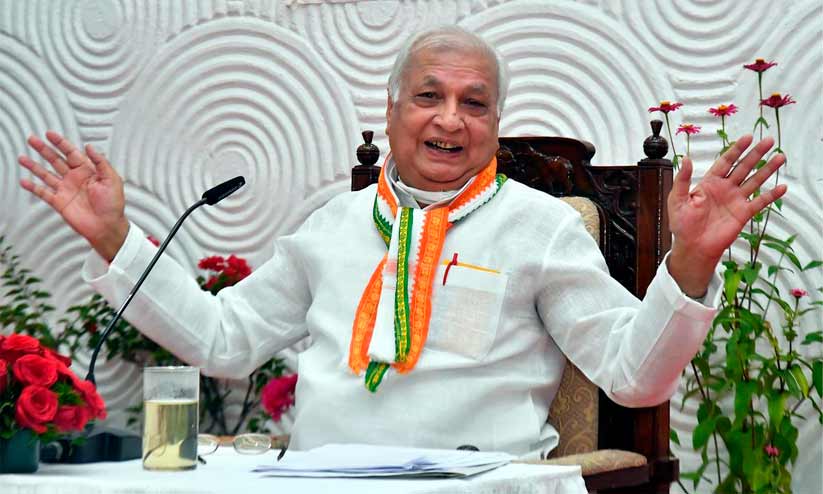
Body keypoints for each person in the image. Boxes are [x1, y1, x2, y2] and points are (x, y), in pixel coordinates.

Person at [17, 26, 786, 458]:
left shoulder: (544, 226)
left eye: (473, 104)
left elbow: (631, 378)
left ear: (493, 123)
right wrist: (115, 237)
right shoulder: (331, 222)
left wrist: (690, 261)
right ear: (390, 113)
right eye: (428, 96)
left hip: (482, 482)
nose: (449, 119)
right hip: (321, 480)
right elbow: (222, 341)